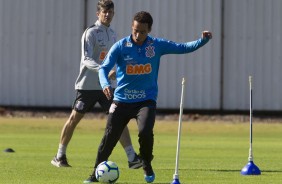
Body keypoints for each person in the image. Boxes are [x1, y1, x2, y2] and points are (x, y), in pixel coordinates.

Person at [83, 11, 212, 183]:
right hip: (121, 101)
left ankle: (146, 163)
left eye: (142, 31)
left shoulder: (156, 46)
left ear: (149, 30)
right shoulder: (121, 46)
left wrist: (202, 40)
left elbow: (182, 48)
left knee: (145, 132)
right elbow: (104, 69)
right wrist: (105, 84)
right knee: (109, 137)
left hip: (145, 101)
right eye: (135, 30)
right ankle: (94, 174)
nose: (137, 35)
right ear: (132, 27)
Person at [51, 0, 142, 170]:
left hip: (106, 86)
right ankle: (59, 155)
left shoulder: (113, 34)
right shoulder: (90, 33)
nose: (107, 14)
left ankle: (132, 157)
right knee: (74, 119)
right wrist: (103, 70)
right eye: (104, 11)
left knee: (119, 119)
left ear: (114, 13)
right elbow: (86, 59)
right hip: (87, 86)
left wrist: (116, 70)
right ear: (98, 13)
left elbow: (113, 58)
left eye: (110, 11)